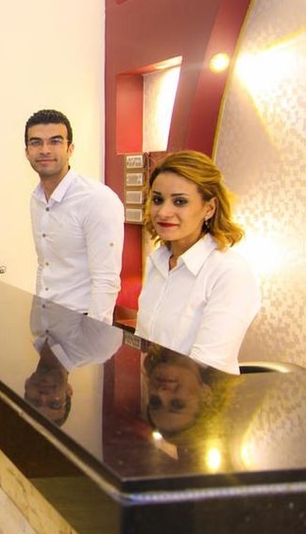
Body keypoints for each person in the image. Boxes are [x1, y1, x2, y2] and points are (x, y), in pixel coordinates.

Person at [136, 150, 261, 374]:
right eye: (157, 200)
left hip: (202, 392)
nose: (163, 212)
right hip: (156, 389)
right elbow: (144, 346)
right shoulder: (158, 261)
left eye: (180, 201)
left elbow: (207, 366)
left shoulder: (230, 272)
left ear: (209, 208)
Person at [24, 109, 125, 324]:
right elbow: (45, 264)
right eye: (36, 143)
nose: (45, 150)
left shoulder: (97, 199)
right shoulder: (37, 198)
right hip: (46, 319)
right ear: (27, 152)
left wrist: (94, 335)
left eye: (55, 141)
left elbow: (106, 279)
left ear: (70, 149)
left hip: (81, 320)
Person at [24, 298, 124, 425]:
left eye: (35, 402)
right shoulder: (97, 348)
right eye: (54, 404)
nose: (43, 396)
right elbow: (109, 290)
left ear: (26, 385)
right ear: (68, 391)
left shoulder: (35, 327)